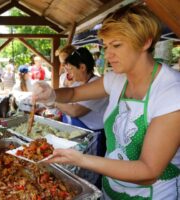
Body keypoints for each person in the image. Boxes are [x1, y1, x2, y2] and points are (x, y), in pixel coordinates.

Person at [33, 4, 180, 199]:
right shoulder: (116, 79)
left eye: (117, 45)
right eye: (106, 46)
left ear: (145, 42)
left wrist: (83, 160)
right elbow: (74, 94)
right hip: (111, 189)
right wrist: (51, 94)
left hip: (154, 193)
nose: (108, 55)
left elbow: (148, 171)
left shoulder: (171, 93)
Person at [55, 47, 108, 132]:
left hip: (94, 135)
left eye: (71, 69)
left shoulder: (97, 84)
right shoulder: (77, 83)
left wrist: (53, 101)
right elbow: (67, 99)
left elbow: (75, 111)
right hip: (78, 131)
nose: (69, 73)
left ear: (82, 67)